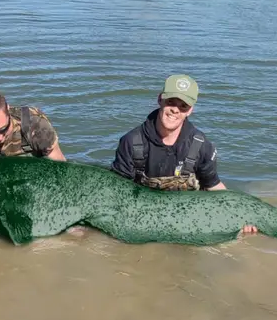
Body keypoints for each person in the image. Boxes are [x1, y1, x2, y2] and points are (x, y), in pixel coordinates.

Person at [110, 74, 257, 235]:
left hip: (188, 218)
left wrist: (241, 215)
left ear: (190, 110)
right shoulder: (131, 141)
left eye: (183, 106)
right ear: (160, 99)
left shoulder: (200, 145)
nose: (175, 109)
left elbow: (214, 186)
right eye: (171, 102)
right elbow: (116, 192)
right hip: (143, 217)